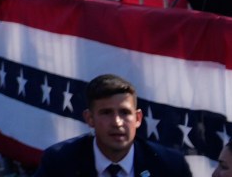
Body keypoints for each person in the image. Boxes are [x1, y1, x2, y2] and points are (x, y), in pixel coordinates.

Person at [33, 74, 192, 177]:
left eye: (125, 112)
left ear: (138, 118)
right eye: (106, 113)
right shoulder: (59, 162)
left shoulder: (169, 165)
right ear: (90, 118)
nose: (117, 122)